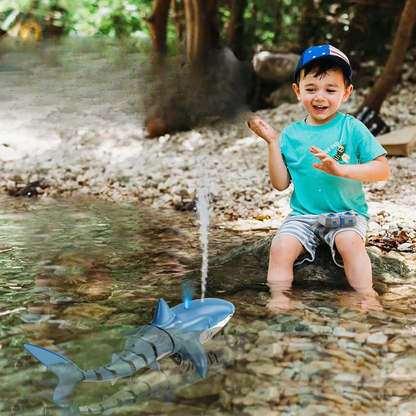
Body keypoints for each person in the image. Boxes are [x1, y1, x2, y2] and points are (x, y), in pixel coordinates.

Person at [247, 45, 390, 311]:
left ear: (346, 93)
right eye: (311, 89)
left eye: (330, 89)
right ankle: (279, 297)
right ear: (297, 91)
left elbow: (382, 169)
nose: (320, 97)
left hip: (346, 213)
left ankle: (365, 295)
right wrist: (272, 142)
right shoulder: (290, 134)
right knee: (280, 246)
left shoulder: (352, 127)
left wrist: (343, 170)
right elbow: (280, 184)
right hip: (303, 215)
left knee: (349, 242)